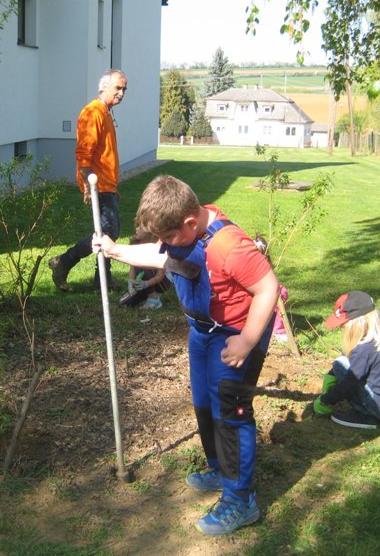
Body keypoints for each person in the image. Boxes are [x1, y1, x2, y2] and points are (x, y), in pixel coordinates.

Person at [93, 175, 278, 536]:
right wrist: (114, 250)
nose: (164, 243)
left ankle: (241, 500)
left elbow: (268, 288)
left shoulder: (229, 246)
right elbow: (159, 254)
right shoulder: (184, 234)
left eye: (168, 236)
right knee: (204, 404)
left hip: (236, 335)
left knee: (230, 413)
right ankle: (220, 469)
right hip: (202, 331)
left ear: (191, 223)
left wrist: (247, 340)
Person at [49, 69, 128, 292]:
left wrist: (113, 187)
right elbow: (84, 154)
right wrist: (87, 185)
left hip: (106, 185)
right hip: (96, 184)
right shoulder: (93, 112)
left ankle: (102, 278)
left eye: (124, 89)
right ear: (104, 87)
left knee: (110, 232)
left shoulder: (105, 112)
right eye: (118, 88)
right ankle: (63, 262)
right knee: (106, 234)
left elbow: (104, 154)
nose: (121, 93)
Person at [313, 291, 380, 429]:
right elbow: (350, 359)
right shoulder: (377, 340)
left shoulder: (363, 349)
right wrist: (331, 375)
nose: (341, 327)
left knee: (340, 364)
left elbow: (350, 383)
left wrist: (326, 399)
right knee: (342, 362)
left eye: (344, 324)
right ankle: (370, 410)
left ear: (358, 323)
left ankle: (365, 416)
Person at [119, 227, 172, 309]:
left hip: (163, 281)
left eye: (140, 228)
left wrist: (146, 284)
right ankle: (150, 293)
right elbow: (132, 266)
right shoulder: (136, 244)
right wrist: (131, 282)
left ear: (149, 232)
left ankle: (154, 299)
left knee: (142, 263)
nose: (136, 229)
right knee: (125, 302)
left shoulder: (159, 246)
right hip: (147, 279)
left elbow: (160, 275)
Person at [253, 234, 289, 343]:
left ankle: (278, 329)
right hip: (255, 293)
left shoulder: (266, 266)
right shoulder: (247, 265)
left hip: (266, 291)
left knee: (281, 294)